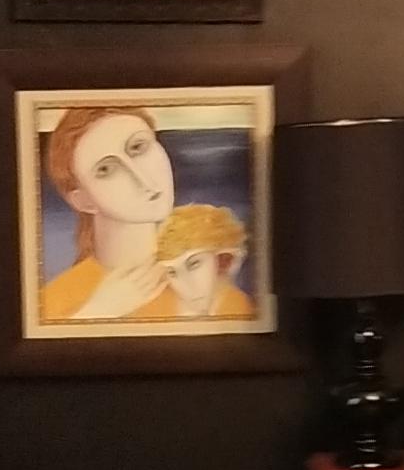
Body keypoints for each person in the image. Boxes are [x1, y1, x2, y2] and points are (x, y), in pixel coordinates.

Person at [34, 104, 254, 326]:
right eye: (106, 169)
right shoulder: (49, 305)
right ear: (84, 201)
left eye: (138, 147)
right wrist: (97, 313)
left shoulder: (217, 292)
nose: (142, 179)